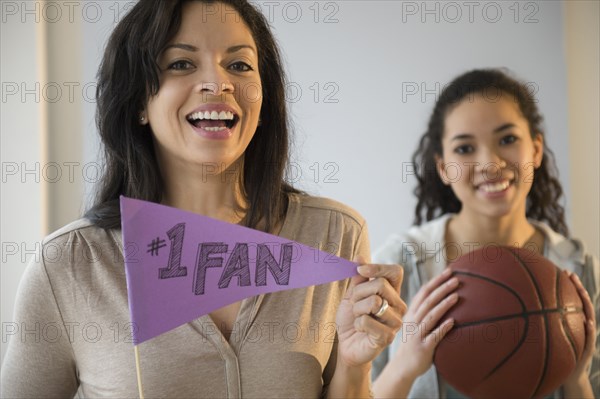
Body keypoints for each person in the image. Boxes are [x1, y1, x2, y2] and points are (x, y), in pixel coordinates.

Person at [1, 1, 407, 397]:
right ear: (140, 100)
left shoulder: (336, 234)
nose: (218, 82)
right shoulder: (68, 264)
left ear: (263, 100)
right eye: (181, 63)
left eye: (239, 65)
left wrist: (357, 366)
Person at [372, 69, 599, 398]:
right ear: (443, 167)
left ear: (536, 150)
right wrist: (404, 366)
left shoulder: (580, 272)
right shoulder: (399, 265)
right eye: (464, 149)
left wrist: (575, 378)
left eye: (507, 140)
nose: (490, 164)